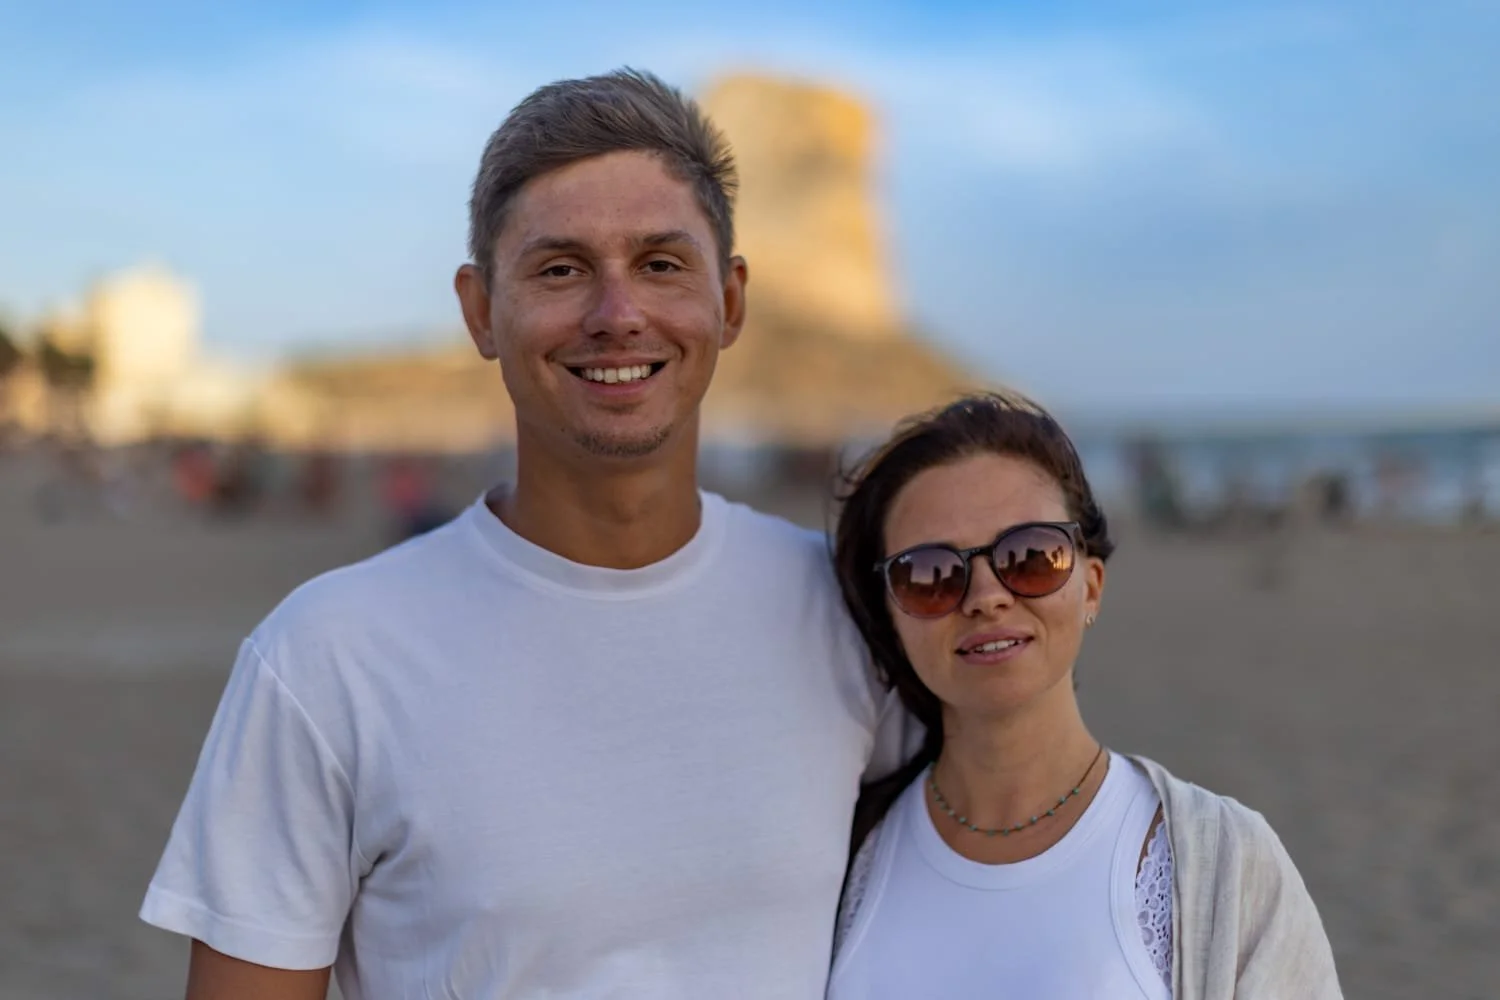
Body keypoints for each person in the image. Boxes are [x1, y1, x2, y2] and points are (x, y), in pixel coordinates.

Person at [139, 69, 911, 999]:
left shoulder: (849, 615)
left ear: (731, 300)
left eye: (661, 263)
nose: (617, 315)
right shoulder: (326, 659)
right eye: (560, 269)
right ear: (480, 311)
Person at [827, 393, 1342, 999]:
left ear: (1090, 586)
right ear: (890, 618)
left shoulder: (1224, 860)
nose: (987, 596)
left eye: (1029, 557)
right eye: (931, 574)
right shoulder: (842, 857)